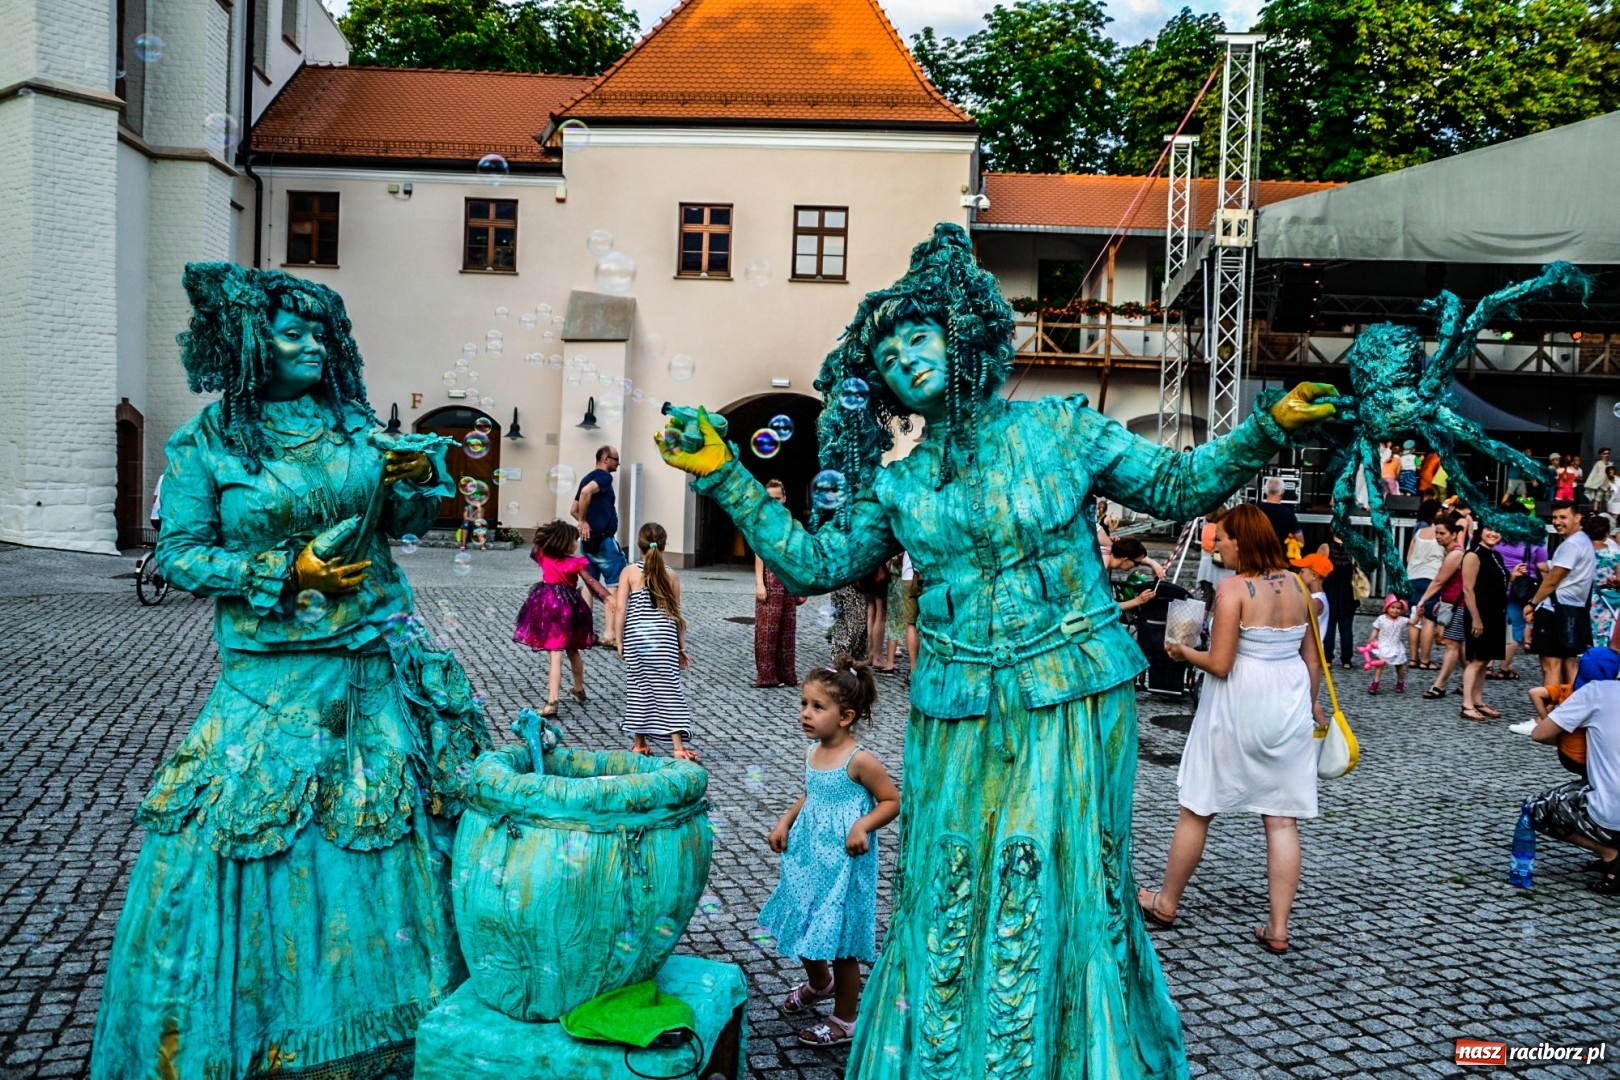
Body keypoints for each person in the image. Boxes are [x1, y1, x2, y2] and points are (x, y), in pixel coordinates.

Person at [657, 223, 1337, 1077]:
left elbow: (1175, 485)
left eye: (919, 335)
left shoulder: (1061, 428)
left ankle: (1065, 1050)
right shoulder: (901, 482)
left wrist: (1266, 428)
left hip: (1073, 695)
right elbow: (814, 562)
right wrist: (722, 470)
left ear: (962, 332)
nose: (906, 358)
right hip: (955, 711)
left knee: (1050, 874)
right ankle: (953, 1052)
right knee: (953, 881)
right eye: (890, 352)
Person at [92, 265, 492, 1076]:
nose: (313, 344)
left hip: (377, 671)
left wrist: (416, 484)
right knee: (254, 846)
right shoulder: (208, 444)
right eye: (292, 331)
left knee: (393, 842)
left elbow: (403, 521)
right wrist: (286, 572)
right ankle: (265, 1032)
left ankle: (403, 1032)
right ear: (249, 343)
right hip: (270, 685)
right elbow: (179, 554)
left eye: (321, 332)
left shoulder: (351, 425)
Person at [1138, 503, 1324, 954]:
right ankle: (1277, 928)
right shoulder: (1301, 584)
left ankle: (1166, 902)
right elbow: (1312, 658)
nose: (1215, 544)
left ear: (1242, 540)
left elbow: (1221, 664)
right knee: (1281, 820)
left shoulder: (1233, 588)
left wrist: (1182, 654)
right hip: (1289, 699)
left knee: (1198, 805)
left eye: (1220, 538)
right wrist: (1312, 705)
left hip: (1240, 700)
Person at [761, 658, 900, 1048]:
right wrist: (785, 822)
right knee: (804, 922)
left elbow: (891, 801)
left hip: (844, 864)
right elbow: (811, 794)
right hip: (810, 857)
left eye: (818, 707)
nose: (806, 713)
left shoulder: (860, 761)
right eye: (804, 704)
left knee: (839, 942)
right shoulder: (812, 751)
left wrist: (862, 825)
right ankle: (820, 984)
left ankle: (845, 1019)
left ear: (846, 716)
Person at [1527, 674, 1620, 893]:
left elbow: (1541, 734)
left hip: (1613, 810)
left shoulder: (1598, 690)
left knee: (1535, 809)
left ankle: (1611, 854)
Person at [615, 521, 697, 760]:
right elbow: (677, 615)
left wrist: (619, 640)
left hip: (637, 640)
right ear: (664, 545)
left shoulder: (629, 571)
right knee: (668, 689)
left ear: (640, 545)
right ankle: (677, 746)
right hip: (664, 641)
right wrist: (682, 647)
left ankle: (639, 744)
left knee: (639, 688)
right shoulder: (671, 574)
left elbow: (620, 608)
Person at [514, 519, 611, 716]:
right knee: (573, 649)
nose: (577, 544)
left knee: (556, 655)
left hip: (547, 609)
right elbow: (591, 582)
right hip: (570, 610)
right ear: (566, 543)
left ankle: (552, 702)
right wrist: (608, 598)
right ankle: (578, 689)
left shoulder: (543, 556)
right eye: (574, 540)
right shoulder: (576, 562)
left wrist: (548, 532)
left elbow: (535, 549)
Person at [1525, 500, 1596, 685]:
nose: (1557, 522)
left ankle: (1547, 713)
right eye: (1554, 517)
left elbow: (1553, 579)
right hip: (1575, 609)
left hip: (1555, 611)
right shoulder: (1584, 541)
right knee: (1569, 664)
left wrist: (1532, 604)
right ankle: (1572, 711)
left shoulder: (1572, 544)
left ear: (1577, 518)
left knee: (1551, 666)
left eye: (1563, 517)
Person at [573, 445, 625, 646]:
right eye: (615, 459)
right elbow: (586, 494)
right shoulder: (604, 477)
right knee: (614, 583)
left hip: (588, 542)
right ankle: (610, 634)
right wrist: (585, 522)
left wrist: (585, 524)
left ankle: (587, 633)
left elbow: (573, 509)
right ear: (605, 459)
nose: (618, 463)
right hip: (603, 541)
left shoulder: (586, 477)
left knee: (589, 583)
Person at [755, 479, 803, 687]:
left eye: (777, 498)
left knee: (787, 630)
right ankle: (767, 676)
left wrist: (800, 583)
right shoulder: (762, 522)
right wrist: (759, 583)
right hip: (770, 579)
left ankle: (786, 674)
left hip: (788, 580)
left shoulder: (791, 523)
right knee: (767, 631)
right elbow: (759, 554)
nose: (774, 502)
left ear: (784, 498)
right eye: (770, 498)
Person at [1458, 525, 1508, 720]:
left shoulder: (1496, 555)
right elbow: (1468, 590)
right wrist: (1476, 618)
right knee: (1477, 660)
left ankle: (1478, 700)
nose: (1494, 533)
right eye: (1490, 529)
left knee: (1485, 660)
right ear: (1481, 530)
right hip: (1480, 613)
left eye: (1498, 530)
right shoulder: (1473, 555)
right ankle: (1467, 704)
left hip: (1495, 612)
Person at [1493, 507, 1548, 681]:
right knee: (1515, 630)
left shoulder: (1500, 541)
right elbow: (1543, 568)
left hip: (1498, 587)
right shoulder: (1535, 543)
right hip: (1522, 590)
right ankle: (1504, 668)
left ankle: (1487, 666)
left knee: (1494, 628)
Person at [1418, 513, 1467, 698]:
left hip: (1458, 605)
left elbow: (1439, 581)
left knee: (1452, 646)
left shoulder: (1455, 553)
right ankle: (1469, 681)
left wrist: (1423, 600)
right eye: (1437, 533)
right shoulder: (1451, 552)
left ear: (1454, 534)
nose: (1438, 536)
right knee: (1459, 646)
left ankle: (1440, 685)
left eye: (1442, 533)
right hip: (1452, 603)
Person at [1404, 499, 1447, 667]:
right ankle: (1425, 660)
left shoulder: (1419, 533)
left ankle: (1413, 658)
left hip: (1413, 576)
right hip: (1432, 578)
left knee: (1415, 616)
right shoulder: (1441, 536)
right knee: (1429, 619)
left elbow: (1408, 557)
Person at [1317, 535, 1358, 668]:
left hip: (1330, 590)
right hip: (1348, 592)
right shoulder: (1353, 547)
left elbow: (1317, 569)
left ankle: (1327, 659)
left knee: (1329, 627)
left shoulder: (1325, 547)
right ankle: (1347, 660)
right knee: (1347, 629)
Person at [1585, 515, 1620, 647]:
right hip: (1605, 602)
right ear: (1607, 533)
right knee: (1603, 637)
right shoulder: (1615, 556)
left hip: (1582, 600)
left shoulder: (1581, 553)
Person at [1366, 595, 1411, 694]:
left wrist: (1419, 614)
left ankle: (1400, 682)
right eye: (1393, 607)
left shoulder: (1402, 620)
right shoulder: (1381, 618)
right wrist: (1372, 637)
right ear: (1387, 607)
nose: (1395, 610)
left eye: (1398, 608)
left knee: (1399, 666)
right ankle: (1375, 682)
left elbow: (1413, 622)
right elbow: (1376, 628)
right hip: (1383, 646)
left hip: (1396, 647)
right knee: (1380, 665)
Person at [1255, 476, 1303, 557]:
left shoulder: (1254, 510)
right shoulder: (1288, 513)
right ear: (1282, 492)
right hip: (1278, 557)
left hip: (1256, 555)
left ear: (1265, 491)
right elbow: (1300, 540)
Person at [1290, 552, 1332, 643]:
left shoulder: (1316, 602)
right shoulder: (1315, 598)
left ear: (1313, 576)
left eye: (1302, 572)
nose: (1298, 575)